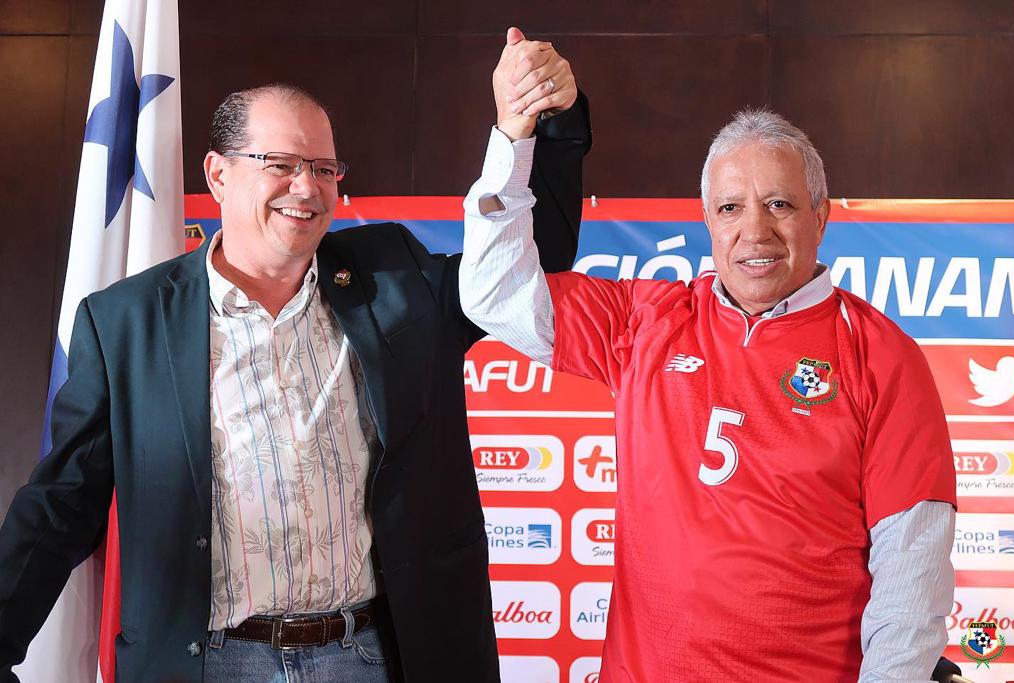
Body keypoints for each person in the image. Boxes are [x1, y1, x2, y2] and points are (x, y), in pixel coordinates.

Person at [0, 29, 588, 683]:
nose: (306, 187)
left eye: (324, 168)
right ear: (218, 174)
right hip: (209, 664)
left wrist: (538, 126)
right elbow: (62, 503)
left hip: (375, 656)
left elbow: (522, 270)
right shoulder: (125, 324)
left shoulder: (396, 278)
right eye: (279, 163)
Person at [460, 105, 957, 680]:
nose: (755, 231)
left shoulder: (883, 356)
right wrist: (513, 134)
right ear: (708, 222)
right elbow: (493, 292)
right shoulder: (646, 322)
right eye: (730, 208)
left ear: (820, 217)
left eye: (779, 204)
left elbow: (912, 573)